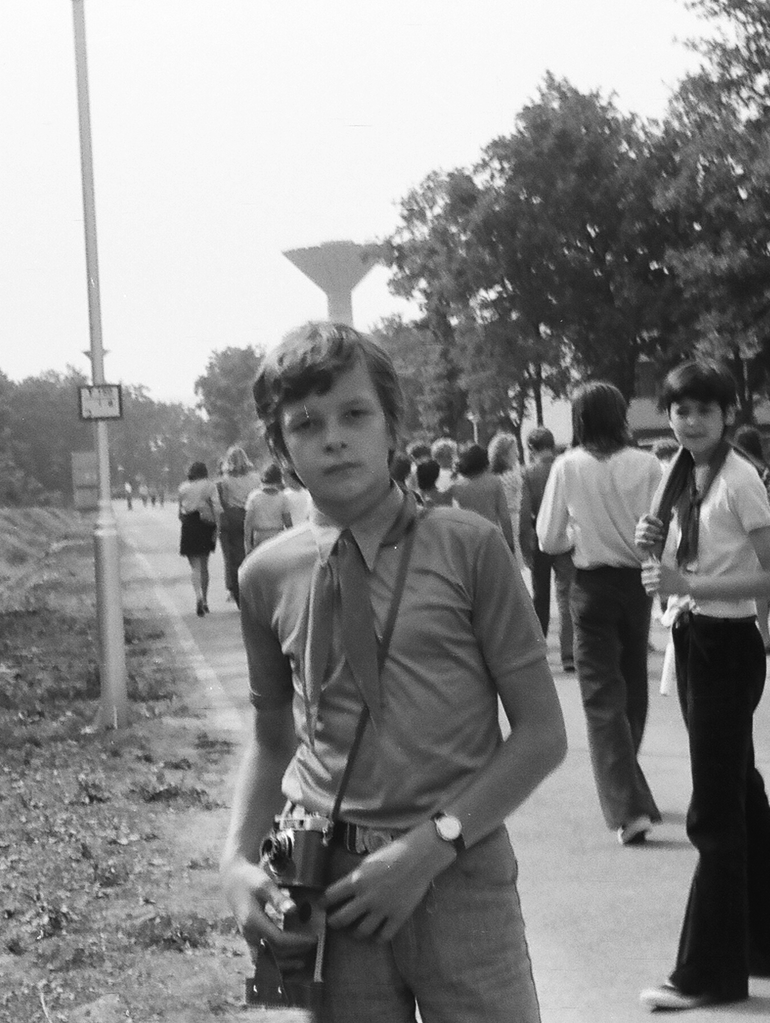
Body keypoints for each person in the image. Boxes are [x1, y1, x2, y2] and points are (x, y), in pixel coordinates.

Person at [222, 321, 567, 1021]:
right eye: (306, 423)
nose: (334, 437)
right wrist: (236, 858)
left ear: (391, 425)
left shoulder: (468, 547)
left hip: (456, 868)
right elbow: (271, 735)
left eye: (355, 414)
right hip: (325, 879)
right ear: (280, 445)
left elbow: (541, 735)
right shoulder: (264, 575)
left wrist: (427, 848)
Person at [635, 359, 770, 1012]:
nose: (690, 421)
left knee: (714, 812)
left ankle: (707, 973)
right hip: (694, 640)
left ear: (726, 415)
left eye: (704, 411)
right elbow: (671, 558)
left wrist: (693, 586)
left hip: (727, 646)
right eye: (681, 410)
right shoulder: (678, 472)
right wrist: (654, 550)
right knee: (739, 790)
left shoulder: (740, 479)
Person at [537, 382, 664, 844]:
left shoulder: (567, 466)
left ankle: (627, 807)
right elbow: (663, 528)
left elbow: (548, 539)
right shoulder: (649, 463)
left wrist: (577, 535)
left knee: (600, 696)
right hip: (638, 583)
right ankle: (629, 786)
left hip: (591, 585)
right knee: (633, 687)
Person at [732, 426, 770, 654]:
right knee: (763, 584)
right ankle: (765, 633)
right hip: (767, 528)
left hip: (739, 530)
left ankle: (747, 631)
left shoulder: (735, 470)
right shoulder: (768, 470)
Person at [519, 427, 568, 645]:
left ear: (531, 448)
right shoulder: (565, 466)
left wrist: (524, 544)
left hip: (540, 537)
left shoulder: (529, 473)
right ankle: (569, 650)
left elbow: (524, 511)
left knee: (540, 596)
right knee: (566, 594)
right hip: (566, 535)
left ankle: (540, 643)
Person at [216, 446, 263, 605]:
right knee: (254, 551)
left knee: (235, 556)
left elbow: (224, 501)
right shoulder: (256, 478)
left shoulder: (225, 481)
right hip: (253, 516)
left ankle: (237, 590)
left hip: (234, 517)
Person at [450, 443, 516, 551]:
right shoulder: (494, 482)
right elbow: (504, 516)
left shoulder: (457, 486)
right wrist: (510, 544)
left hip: (467, 539)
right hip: (490, 536)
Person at [176, 461, 221, 616]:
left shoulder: (183, 488)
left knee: (195, 566)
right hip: (205, 525)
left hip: (189, 524)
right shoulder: (210, 486)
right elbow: (216, 506)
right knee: (204, 564)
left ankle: (198, 596)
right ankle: (206, 600)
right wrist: (217, 527)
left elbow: (180, 513)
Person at [245, 462, 295, 553]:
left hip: (260, 535)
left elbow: (248, 523)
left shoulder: (254, 496)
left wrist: (247, 544)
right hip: (277, 535)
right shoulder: (282, 497)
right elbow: (288, 523)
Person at [490, 433, 524, 558]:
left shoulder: (492, 477)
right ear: (504, 455)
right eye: (514, 451)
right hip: (513, 518)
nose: (517, 455)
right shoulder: (512, 476)